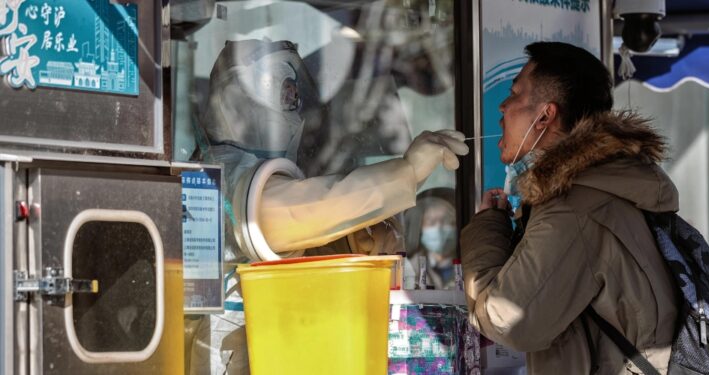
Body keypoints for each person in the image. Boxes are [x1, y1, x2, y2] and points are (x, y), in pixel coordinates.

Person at [188, 39, 469, 374]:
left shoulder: (245, 169)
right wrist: (406, 172)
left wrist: (351, 241)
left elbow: (302, 236)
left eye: (293, 94)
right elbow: (293, 213)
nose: (292, 105)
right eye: (283, 93)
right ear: (237, 100)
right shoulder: (221, 175)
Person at [460, 41, 679, 374]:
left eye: (515, 93)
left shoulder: (576, 207)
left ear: (546, 116)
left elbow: (509, 320)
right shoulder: (597, 188)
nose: (503, 107)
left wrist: (486, 228)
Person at [404, 188, 458, 289]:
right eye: (431, 222)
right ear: (420, 227)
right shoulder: (409, 270)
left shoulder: (472, 267)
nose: (438, 228)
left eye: (447, 220)